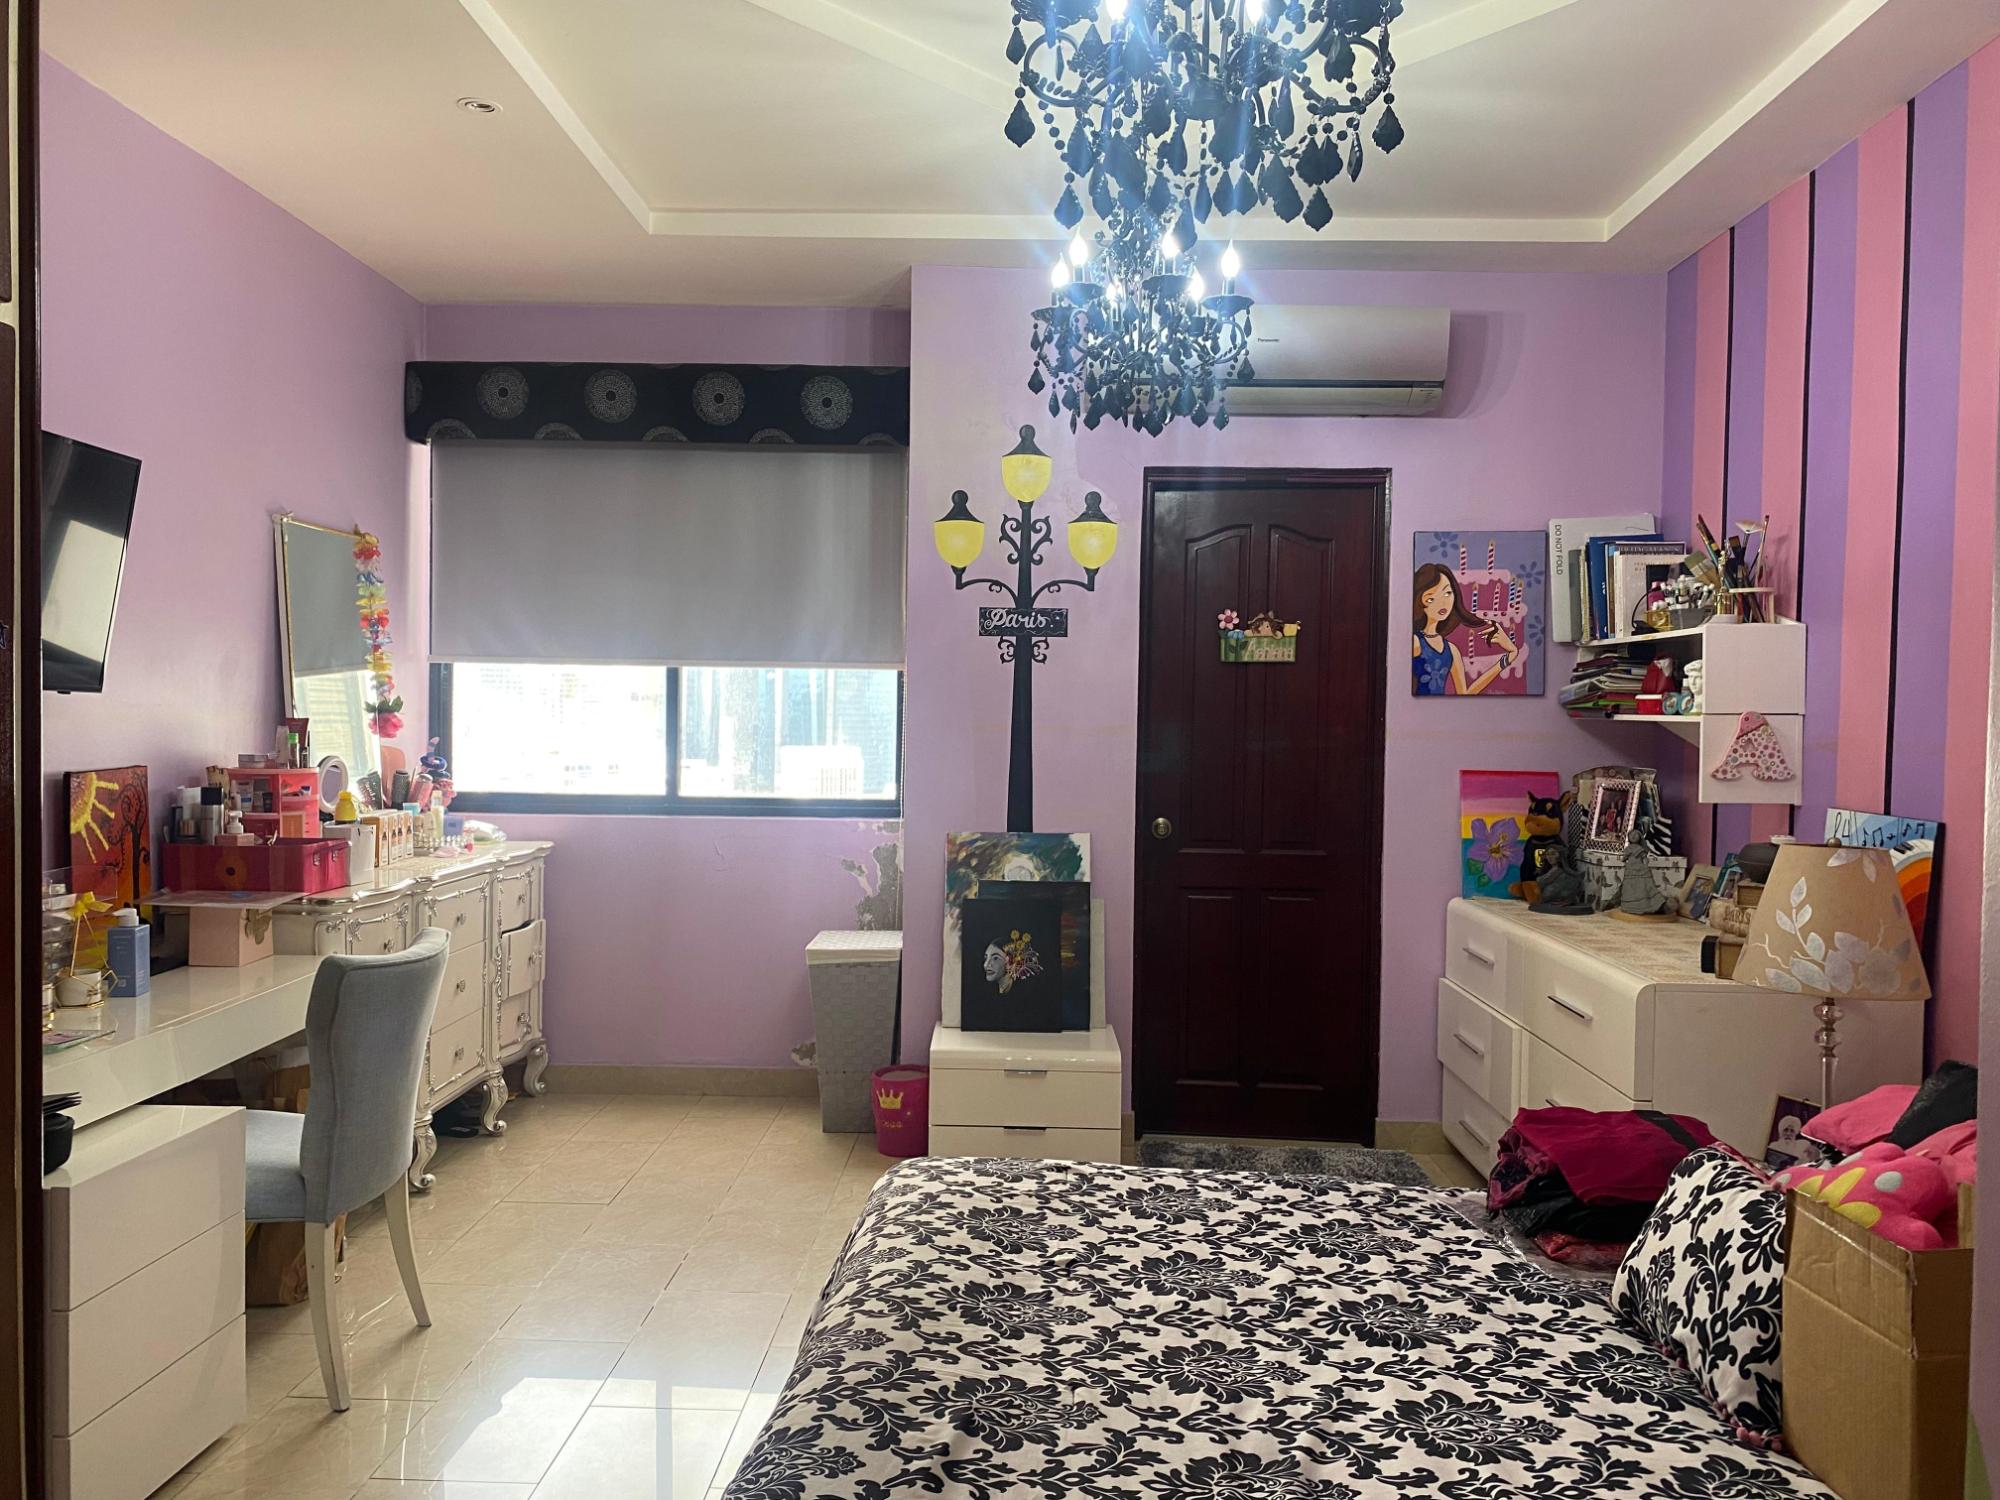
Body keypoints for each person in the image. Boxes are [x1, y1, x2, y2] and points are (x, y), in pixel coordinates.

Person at [1412, 562, 1518, 695]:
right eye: (1431, 599)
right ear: (1419, 602)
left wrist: (1511, 655)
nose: (1443, 603)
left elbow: (1464, 693)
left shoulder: (1451, 650)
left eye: (1447, 593)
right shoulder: (1415, 642)